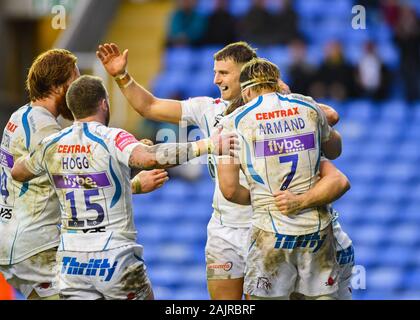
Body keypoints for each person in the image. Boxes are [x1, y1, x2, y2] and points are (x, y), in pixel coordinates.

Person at [96, 42, 350, 299]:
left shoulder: (281, 111)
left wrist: (285, 94)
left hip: (265, 227)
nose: (216, 79)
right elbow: (149, 106)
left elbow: (329, 116)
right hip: (225, 230)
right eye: (215, 72)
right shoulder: (209, 108)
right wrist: (121, 75)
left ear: (246, 74)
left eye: (224, 73)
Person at [10, 75, 237, 300]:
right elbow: (149, 158)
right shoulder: (111, 136)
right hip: (113, 256)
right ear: (103, 103)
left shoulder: (51, 144)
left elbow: (18, 171)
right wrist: (207, 144)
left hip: (71, 262)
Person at [0, 49, 170, 300]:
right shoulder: (45, 129)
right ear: (58, 86)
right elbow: (73, 179)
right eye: (74, 80)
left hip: (15, 240)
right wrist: (133, 183)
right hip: (35, 245)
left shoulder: (21, 116)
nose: (76, 89)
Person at [217, 58, 346, 299]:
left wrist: (262, 200)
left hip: (270, 230)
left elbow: (229, 190)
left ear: (246, 91)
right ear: (278, 83)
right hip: (316, 230)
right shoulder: (308, 107)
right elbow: (335, 151)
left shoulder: (232, 122)